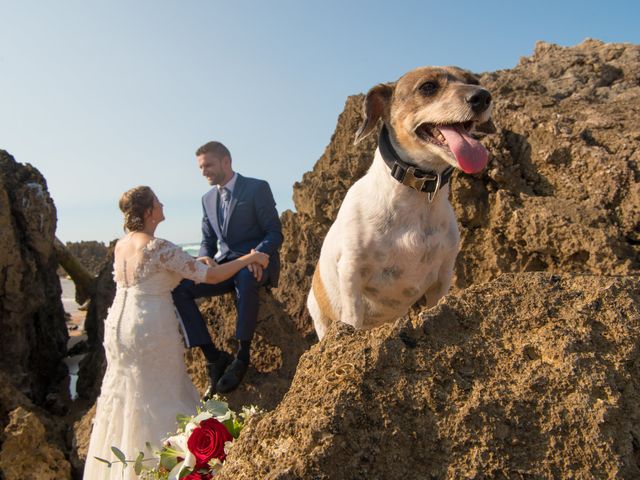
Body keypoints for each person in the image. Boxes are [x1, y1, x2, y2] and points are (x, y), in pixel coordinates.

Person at [83, 186, 268, 480]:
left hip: (118, 326)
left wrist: (203, 261)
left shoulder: (123, 245)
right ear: (148, 213)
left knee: (126, 394)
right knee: (161, 394)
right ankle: (163, 468)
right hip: (149, 328)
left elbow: (184, 268)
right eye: (157, 202)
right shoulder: (158, 247)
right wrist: (250, 259)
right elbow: (213, 277)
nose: (162, 204)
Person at [172, 141, 283, 397]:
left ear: (226, 161)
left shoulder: (257, 187)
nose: (204, 171)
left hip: (257, 263)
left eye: (208, 165)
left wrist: (259, 255)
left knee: (246, 276)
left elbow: (274, 231)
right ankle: (213, 357)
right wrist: (204, 258)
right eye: (201, 167)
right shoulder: (207, 199)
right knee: (180, 288)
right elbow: (207, 241)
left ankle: (242, 356)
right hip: (224, 265)